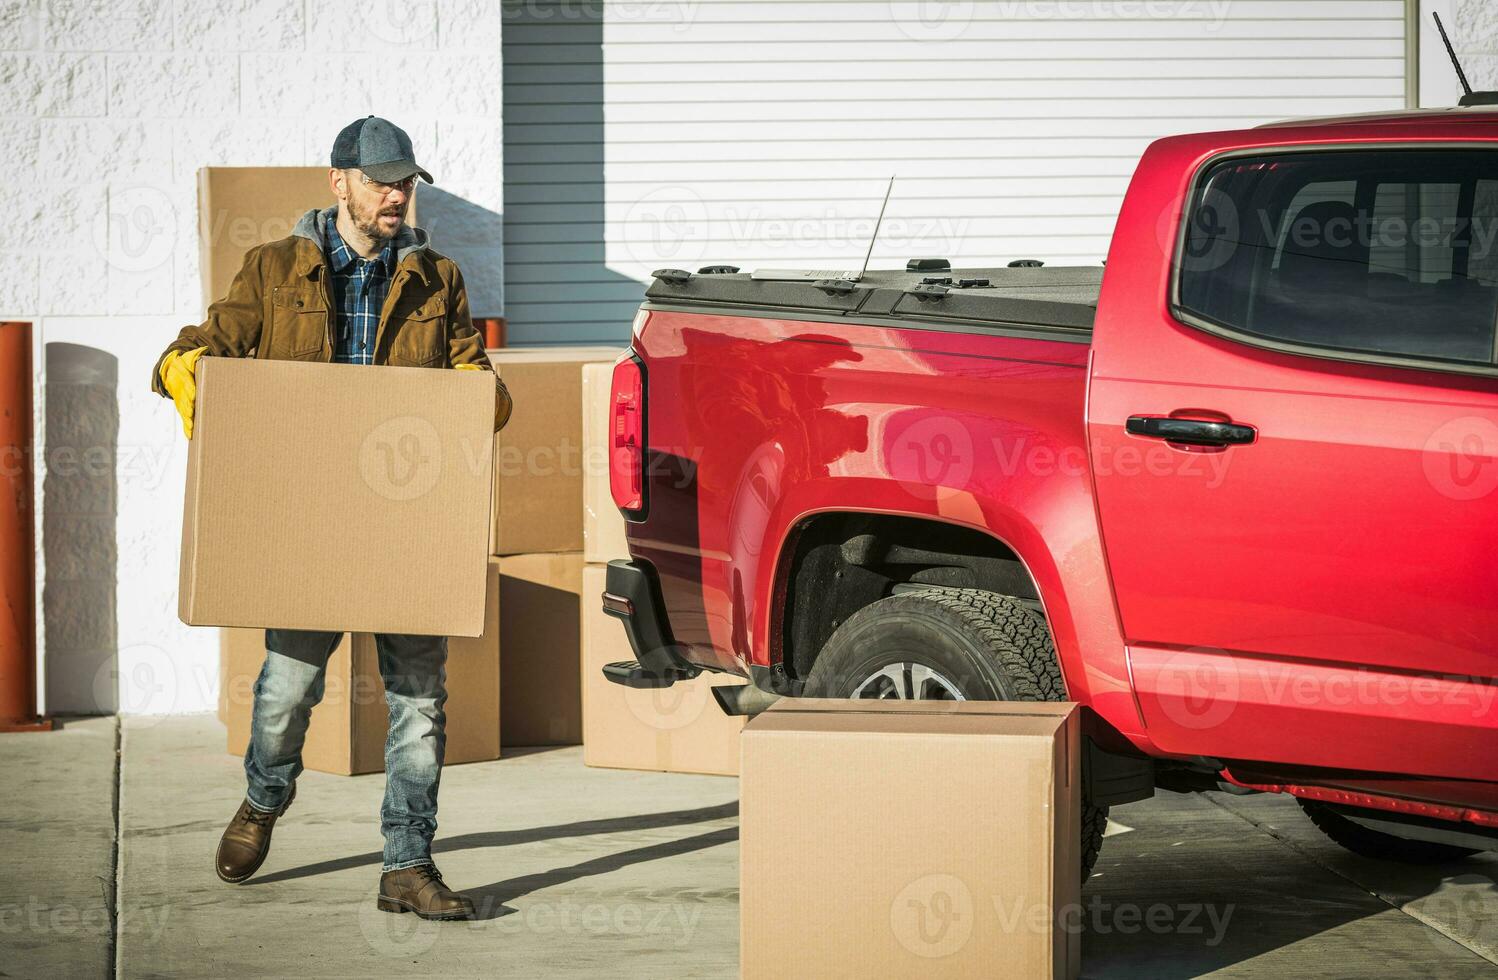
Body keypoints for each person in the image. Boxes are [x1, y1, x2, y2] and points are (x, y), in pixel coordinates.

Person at [151, 116, 511, 922]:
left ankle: (407, 865)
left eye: (405, 180)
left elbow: (476, 383)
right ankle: (262, 801)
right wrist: (192, 382)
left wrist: (476, 398)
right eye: (380, 179)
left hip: (407, 525)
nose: (396, 194)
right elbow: (200, 349)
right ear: (337, 181)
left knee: (419, 704)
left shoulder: (436, 277)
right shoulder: (275, 269)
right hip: (311, 525)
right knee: (285, 693)